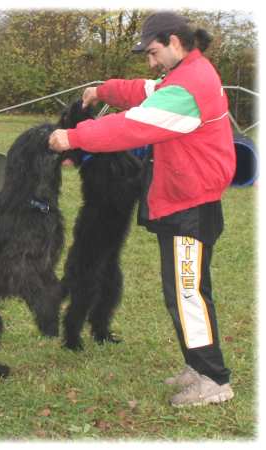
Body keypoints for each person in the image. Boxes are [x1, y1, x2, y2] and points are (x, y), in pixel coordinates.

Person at [49, 11, 236, 407]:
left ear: (174, 41)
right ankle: (196, 366)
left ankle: (213, 379)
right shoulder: (184, 75)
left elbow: (131, 126)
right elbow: (142, 91)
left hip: (192, 206)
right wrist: (102, 91)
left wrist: (74, 136)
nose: (151, 62)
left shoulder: (189, 87)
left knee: (187, 294)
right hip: (184, 199)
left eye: (153, 52)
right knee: (184, 292)